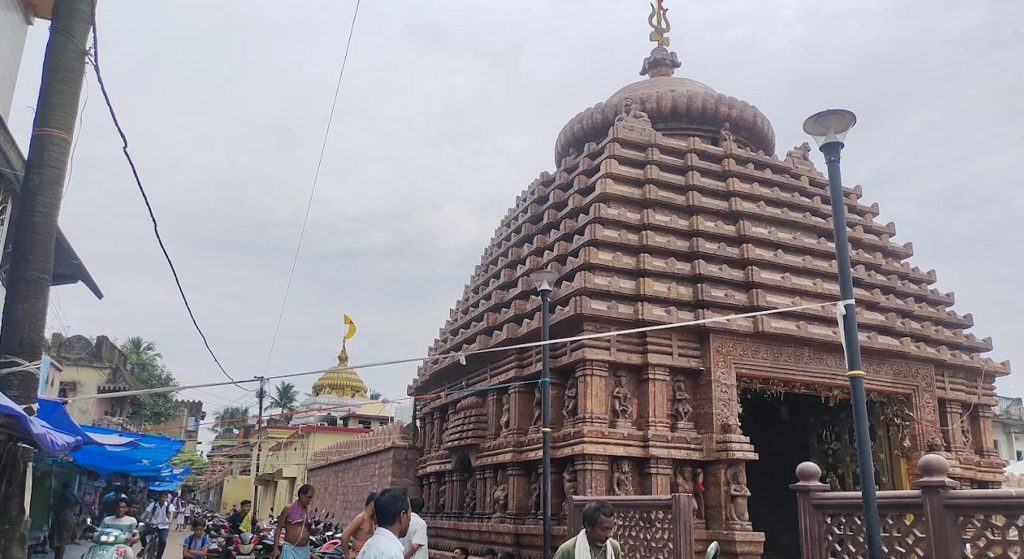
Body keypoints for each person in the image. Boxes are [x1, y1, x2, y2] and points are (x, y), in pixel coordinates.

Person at [552, 500, 621, 559]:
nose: (609, 534)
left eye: (611, 529)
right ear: (589, 526)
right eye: (603, 529)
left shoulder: (614, 547)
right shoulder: (567, 551)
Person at [356, 488, 410, 559]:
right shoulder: (392, 554)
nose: (409, 519)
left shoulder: (369, 544)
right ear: (402, 516)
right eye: (409, 514)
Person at [273, 484, 316, 559]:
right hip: (290, 549)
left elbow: (308, 530)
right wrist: (275, 549)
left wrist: (315, 530)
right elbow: (278, 528)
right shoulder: (288, 509)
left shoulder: (309, 511)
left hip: (304, 550)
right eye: (308, 497)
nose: (309, 500)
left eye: (311, 498)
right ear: (301, 495)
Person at [341, 492, 378, 559]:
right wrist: (348, 555)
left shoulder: (372, 519)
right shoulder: (361, 518)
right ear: (373, 503)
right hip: (358, 555)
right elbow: (344, 536)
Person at [49, 483, 80, 559]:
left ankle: (58, 557)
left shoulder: (63, 494)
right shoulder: (72, 494)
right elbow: (78, 503)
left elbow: (53, 507)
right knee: (62, 540)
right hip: (68, 518)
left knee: (59, 540)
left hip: (62, 519)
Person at [141, 492, 176, 559]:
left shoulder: (169, 505)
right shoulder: (153, 504)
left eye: (164, 497)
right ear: (158, 497)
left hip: (163, 526)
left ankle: (159, 557)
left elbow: (171, 516)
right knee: (142, 533)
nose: (162, 499)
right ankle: (144, 547)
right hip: (153, 524)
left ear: (166, 498)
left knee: (163, 541)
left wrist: (169, 521)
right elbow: (145, 513)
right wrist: (142, 519)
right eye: (161, 497)